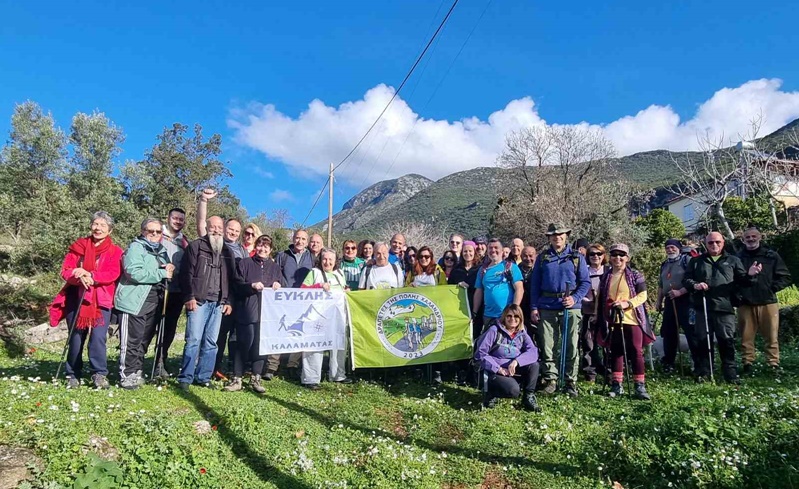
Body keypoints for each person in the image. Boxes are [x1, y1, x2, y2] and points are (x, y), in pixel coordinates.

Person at [50, 211, 123, 389]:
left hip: (102, 300)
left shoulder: (115, 251)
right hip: (77, 297)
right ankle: (72, 374)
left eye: (103, 225)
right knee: (76, 337)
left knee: (98, 338)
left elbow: (113, 273)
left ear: (110, 230)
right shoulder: (79, 246)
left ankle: (99, 373)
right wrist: (78, 274)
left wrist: (92, 276)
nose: (98, 228)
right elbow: (66, 270)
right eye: (95, 224)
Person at [683, 232, 762, 384]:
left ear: (723, 242)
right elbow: (686, 280)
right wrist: (695, 285)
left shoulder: (733, 260)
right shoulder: (696, 261)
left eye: (717, 242)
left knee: (726, 341)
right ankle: (705, 372)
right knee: (702, 341)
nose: (714, 245)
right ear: (705, 244)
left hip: (724, 308)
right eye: (711, 243)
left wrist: (751, 275)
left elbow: (743, 281)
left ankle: (730, 375)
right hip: (703, 307)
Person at [529, 223, 590, 397]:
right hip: (547, 306)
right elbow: (535, 285)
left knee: (571, 344)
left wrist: (575, 298)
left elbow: (585, 282)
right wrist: (534, 307)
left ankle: (571, 381)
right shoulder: (542, 258)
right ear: (549, 238)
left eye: (561, 234)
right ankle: (551, 379)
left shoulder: (576, 257)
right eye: (554, 235)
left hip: (570, 307)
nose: (557, 237)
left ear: (566, 236)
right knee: (548, 345)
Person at [115, 218, 175, 389]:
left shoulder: (161, 250)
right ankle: (126, 375)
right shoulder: (136, 247)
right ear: (143, 232)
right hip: (134, 300)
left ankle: (137, 371)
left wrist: (169, 269)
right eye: (151, 231)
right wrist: (161, 273)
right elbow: (134, 272)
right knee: (131, 340)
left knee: (144, 339)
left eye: (158, 232)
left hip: (154, 300)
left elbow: (165, 270)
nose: (155, 234)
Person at [178, 216, 235, 390]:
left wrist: (228, 301)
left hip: (218, 303)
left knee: (211, 342)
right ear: (207, 227)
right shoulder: (196, 246)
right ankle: (185, 378)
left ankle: (203, 377)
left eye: (219, 227)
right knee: (193, 339)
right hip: (198, 301)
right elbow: (185, 273)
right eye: (213, 227)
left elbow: (232, 279)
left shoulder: (227, 251)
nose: (216, 230)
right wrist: (189, 297)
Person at [594, 243, 655, 400]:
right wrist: (598, 313)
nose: (618, 258)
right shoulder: (606, 276)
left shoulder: (635, 275)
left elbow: (643, 296)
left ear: (627, 258)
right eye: (614, 255)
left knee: (636, 351)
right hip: (613, 319)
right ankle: (616, 384)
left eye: (621, 255)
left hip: (633, 318)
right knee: (616, 351)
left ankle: (639, 386)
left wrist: (627, 303)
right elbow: (600, 298)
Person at [224, 234, 284, 392]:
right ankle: (237, 378)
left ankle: (255, 378)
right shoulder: (244, 263)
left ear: (271, 250)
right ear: (255, 246)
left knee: (260, 345)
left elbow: (281, 285)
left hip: (267, 314)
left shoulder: (275, 267)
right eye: (260, 245)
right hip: (247, 311)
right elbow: (236, 284)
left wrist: (279, 284)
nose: (263, 249)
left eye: (266, 246)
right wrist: (251, 285)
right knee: (243, 344)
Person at [736, 226, 791, 374]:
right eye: (747, 237)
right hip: (745, 303)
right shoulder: (738, 258)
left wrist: (771, 288)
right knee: (746, 337)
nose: (751, 239)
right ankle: (748, 363)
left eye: (754, 236)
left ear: (760, 237)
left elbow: (784, 276)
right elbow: (733, 279)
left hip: (768, 301)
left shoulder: (771, 256)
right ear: (743, 240)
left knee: (771, 336)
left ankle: (773, 364)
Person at [300, 248, 353, 389]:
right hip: (318, 315)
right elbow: (302, 290)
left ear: (335, 261)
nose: (327, 262)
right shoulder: (314, 272)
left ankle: (338, 375)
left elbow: (344, 289)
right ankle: (310, 378)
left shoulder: (339, 274)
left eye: (330, 259)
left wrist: (347, 290)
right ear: (320, 260)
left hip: (338, 316)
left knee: (338, 344)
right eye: (324, 259)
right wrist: (318, 286)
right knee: (315, 346)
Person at [145, 207, 188, 379]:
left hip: (176, 290)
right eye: (175, 218)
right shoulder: (156, 235)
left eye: (181, 220)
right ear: (168, 218)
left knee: (169, 328)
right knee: (148, 327)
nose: (178, 221)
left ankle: (160, 361)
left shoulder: (185, 242)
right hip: (155, 288)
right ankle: (136, 361)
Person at [474, 304, 541, 412]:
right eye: (509, 316)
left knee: (534, 365)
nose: (512, 319)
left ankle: (528, 397)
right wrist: (498, 369)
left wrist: (516, 361)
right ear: (504, 317)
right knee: (514, 391)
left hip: (512, 367)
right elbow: (480, 354)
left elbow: (533, 352)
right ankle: (490, 393)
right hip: (495, 370)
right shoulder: (494, 330)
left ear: (520, 318)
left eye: (516, 316)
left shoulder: (522, 333)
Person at [270, 229, 316, 379]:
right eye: (297, 238)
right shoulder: (283, 255)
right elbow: (274, 273)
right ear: (293, 238)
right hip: (284, 299)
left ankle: (292, 365)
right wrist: (277, 283)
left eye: (303, 239)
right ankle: (272, 366)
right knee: (279, 330)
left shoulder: (312, 258)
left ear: (307, 242)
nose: (300, 241)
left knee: (299, 331)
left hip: (303, 301)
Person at [656, 238, 697, 375]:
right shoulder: (664, 264)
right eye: (667, 248)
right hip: (669, 301)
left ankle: (696, 363)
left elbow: (694, 281)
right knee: (668, 333)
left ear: (679, 248)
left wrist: (680, 292)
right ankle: (669, 362)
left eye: (673, 247)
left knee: (691, 332)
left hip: (686, 301)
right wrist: (658, 301)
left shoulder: (687, 261)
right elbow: (661, 285)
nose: (670, 250)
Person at [473, 239, 524, 328]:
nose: (493, 250)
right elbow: (479, 291)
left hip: (506, 316)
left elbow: (519, 289)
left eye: (496, 248)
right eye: (490, 248)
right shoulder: (482, 270)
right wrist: (474, 312)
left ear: (502, 250)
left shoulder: (511, 267)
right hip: (488, 315)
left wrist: (514, 311)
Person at [581, 244, 608, 382]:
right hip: (588, 310)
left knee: (606, 341)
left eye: (599, 253)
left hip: (606, 312)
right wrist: (588, 300)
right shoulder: (584, 271)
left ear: (603, 255)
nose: (595, 256)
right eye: (592, 254)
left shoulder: (609, 271)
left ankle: (608, 370)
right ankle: (590, 372)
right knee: (588, 342)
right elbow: (579, 289)